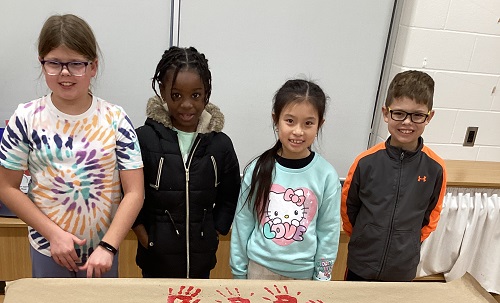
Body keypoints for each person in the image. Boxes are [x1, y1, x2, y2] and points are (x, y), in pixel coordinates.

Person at [0, 14, 144, 278]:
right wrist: (53, 234)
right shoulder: (25, 118)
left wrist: (108, 246)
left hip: (102, 255)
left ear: (93, 67)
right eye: (54, 63)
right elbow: (6, 187)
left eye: (76, 64)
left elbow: (135, 192)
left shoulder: (116, 119)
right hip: (48, 249)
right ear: (42, 64)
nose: (65, 73)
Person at [133, 46, 241, 278]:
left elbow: (230, 194)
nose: (186, 104)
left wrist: (217, 231)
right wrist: (143, 234)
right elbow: (129, 193)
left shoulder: (219, 145)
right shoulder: (144, 138)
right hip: (154, 260)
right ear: (162, 92)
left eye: (195, 95)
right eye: (176, 95)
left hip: (202, 260)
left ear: (206, 94)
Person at [230, 79, 341, 281]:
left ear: (320, 124)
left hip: (304, 276)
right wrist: (238, 271)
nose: (298, 131)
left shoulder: (326, 175)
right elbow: (242, 223)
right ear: (276, 119)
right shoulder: (257, 169)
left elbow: (329, 233)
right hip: (258, 270)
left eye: (308, 123)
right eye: (290, 121)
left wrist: (323, 277)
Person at [341, 70, 447, 282]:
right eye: (399, 113)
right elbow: (348, 208)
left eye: (417, 115)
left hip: (402, 267)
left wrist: (408, 241)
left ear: (430, 116)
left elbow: (431, 214)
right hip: (361, 263)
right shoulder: (365, 162)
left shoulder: (435, 167)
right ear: (386, 113)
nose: (407, 122)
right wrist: (365, 236)